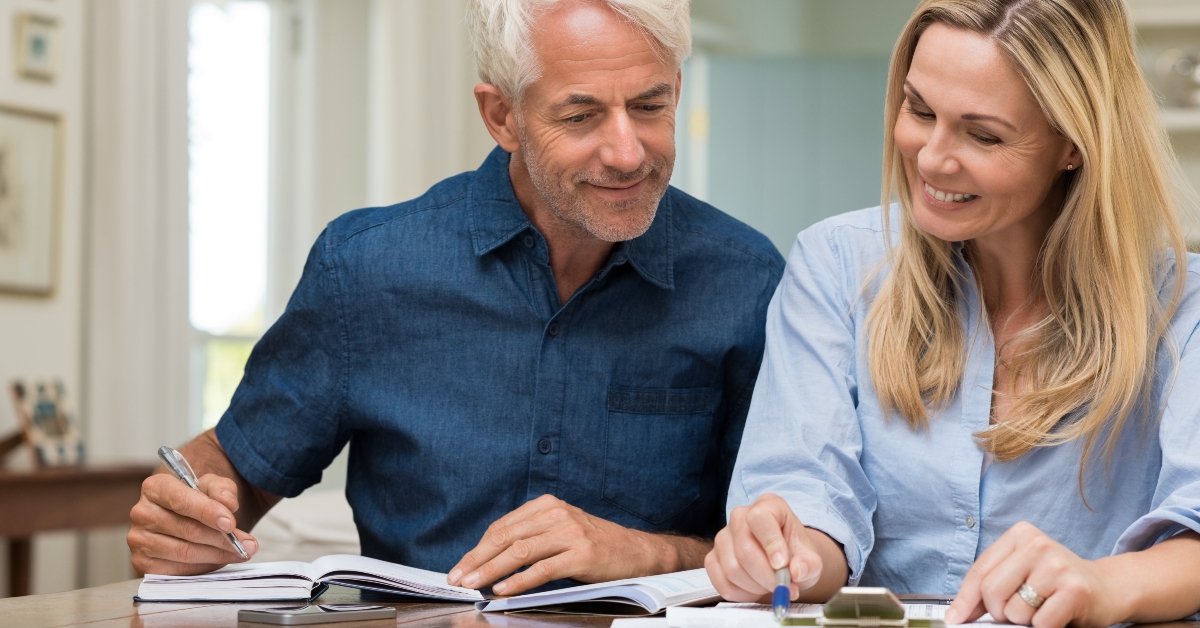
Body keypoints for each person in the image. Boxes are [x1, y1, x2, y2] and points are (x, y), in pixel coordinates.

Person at [127, 0, 784, 596]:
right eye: (581, 115)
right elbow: (238, 471)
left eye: (649, 105)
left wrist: (636, 552)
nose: (626, 151)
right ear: (502, 116)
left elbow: (785, 548)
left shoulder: (744, 280)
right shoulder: (366, 268)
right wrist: (186, 518)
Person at [705, 1, 1200, 627]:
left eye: (984, 135)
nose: (932, 159)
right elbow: (809, 495)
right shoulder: (835, 265)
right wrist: (786, 552)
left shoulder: (1184, 310)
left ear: (1074, 145)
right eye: (918, 110)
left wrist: (1103, 583)